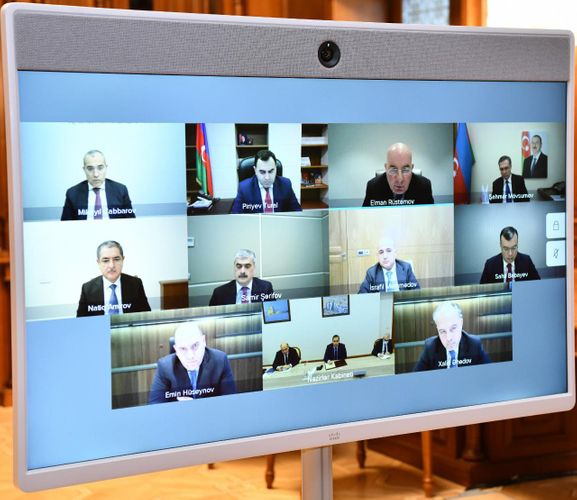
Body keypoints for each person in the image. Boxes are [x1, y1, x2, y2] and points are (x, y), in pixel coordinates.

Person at [148, 322, 236, 404]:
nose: (190, 356)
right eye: (183, 349)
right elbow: (155, 406)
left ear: (203, 341)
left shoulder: (220, 361)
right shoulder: (164, 367)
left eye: (195, 346)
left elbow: (230, 403)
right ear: (176, 350)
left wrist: (197, 406)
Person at [76, 240, 151, 317]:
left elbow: (146, 317)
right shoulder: (88, 289)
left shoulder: (136, 284)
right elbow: (81, 321)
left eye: (116, 259)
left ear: (123, 260)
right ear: (98, 263)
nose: (111, 265)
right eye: (106, 260)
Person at [413, 302, 491, 372]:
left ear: (461, 323)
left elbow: (490, 374)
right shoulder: (431, 347)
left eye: (453, 328)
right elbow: (415, 378)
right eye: (443, 331)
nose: (449, 338)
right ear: (437, 329)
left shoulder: (474, 344)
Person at [61, 150, 135, 220]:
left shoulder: (121, 190)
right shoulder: (72, 193)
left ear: (106, 168)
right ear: (84, 170)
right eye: (90, 169)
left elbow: (131, 222)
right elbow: (65, 225)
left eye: (100, 168)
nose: (96, 174)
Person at [362, 143, 434, 207]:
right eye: (393, 170)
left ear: (411, 168)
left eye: (405, 170)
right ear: (386, 168)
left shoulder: (424, 186)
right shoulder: (373, 187)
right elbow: (365, 215)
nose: (400, 179)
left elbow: (431, 215)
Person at [231, 150, 302, 213]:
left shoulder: (286, 184)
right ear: (255, 170)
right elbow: (236, 216)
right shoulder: (244, 188)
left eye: (271, 171)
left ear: (276, 169)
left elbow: (297, 212)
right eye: (262, 172)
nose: (267, 177)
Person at [209, 249, 276, 306]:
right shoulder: (219, 293)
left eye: (247, 266)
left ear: (254, 267)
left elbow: (272, 314)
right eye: (238, 266)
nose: (242, 271)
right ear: (234, 267)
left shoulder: (266, 288)